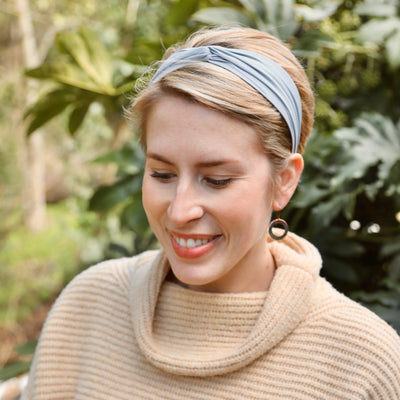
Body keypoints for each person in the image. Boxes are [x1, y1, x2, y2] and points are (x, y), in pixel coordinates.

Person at [22, 26, 400, 400]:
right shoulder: (88, 307)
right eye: (162, 174)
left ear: (284, 181)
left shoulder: (363, 363)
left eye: (217, 180)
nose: (180, 211)